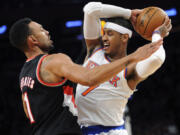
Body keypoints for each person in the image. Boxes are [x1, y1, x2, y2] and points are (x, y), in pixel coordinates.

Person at [9, 17, 162, 135]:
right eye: (41, 30)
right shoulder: (53, 61)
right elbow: (89, 78)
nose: (47, 32)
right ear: (33, 40)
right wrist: (132, 57)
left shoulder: (24, 74)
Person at [75, 2, 172, 135]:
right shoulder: (94, 50)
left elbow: (157, 58)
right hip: (81, 129)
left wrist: (157, 35)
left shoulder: (130, 69)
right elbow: (90, 10)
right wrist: (128, 13)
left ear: (124, 37)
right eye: (104, 33)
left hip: (109, 132)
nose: (104, 38)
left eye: (110, 34)